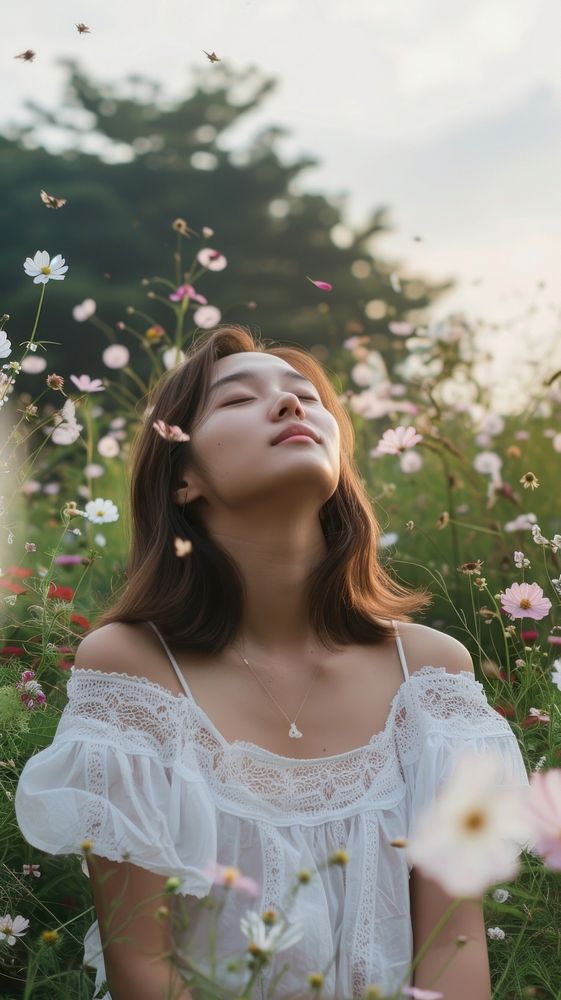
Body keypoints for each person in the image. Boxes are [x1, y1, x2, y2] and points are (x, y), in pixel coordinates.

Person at [15, 324, 531, 1000]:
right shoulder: (131, 670)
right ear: (182, 480)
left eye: (306, 396)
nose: (292, 406)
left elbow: (452, 953)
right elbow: (145, 965)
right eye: (236, 400)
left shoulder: (432, 678)